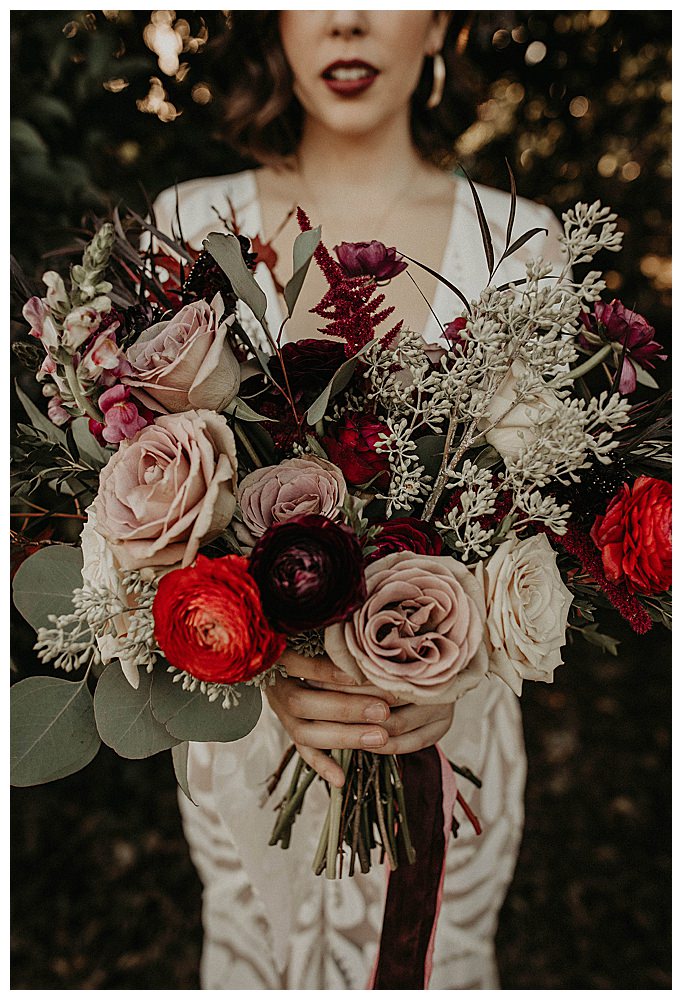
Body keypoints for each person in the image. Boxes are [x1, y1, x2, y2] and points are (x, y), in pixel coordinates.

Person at [151, 11, 565, 990]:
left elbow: (556, 539)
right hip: (245, 757)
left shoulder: (522, 243)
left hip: (448, 757)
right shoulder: (186, 225)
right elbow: (132, 545)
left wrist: (444, 677)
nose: (345, 17)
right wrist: (259, 664)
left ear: (439, 23)